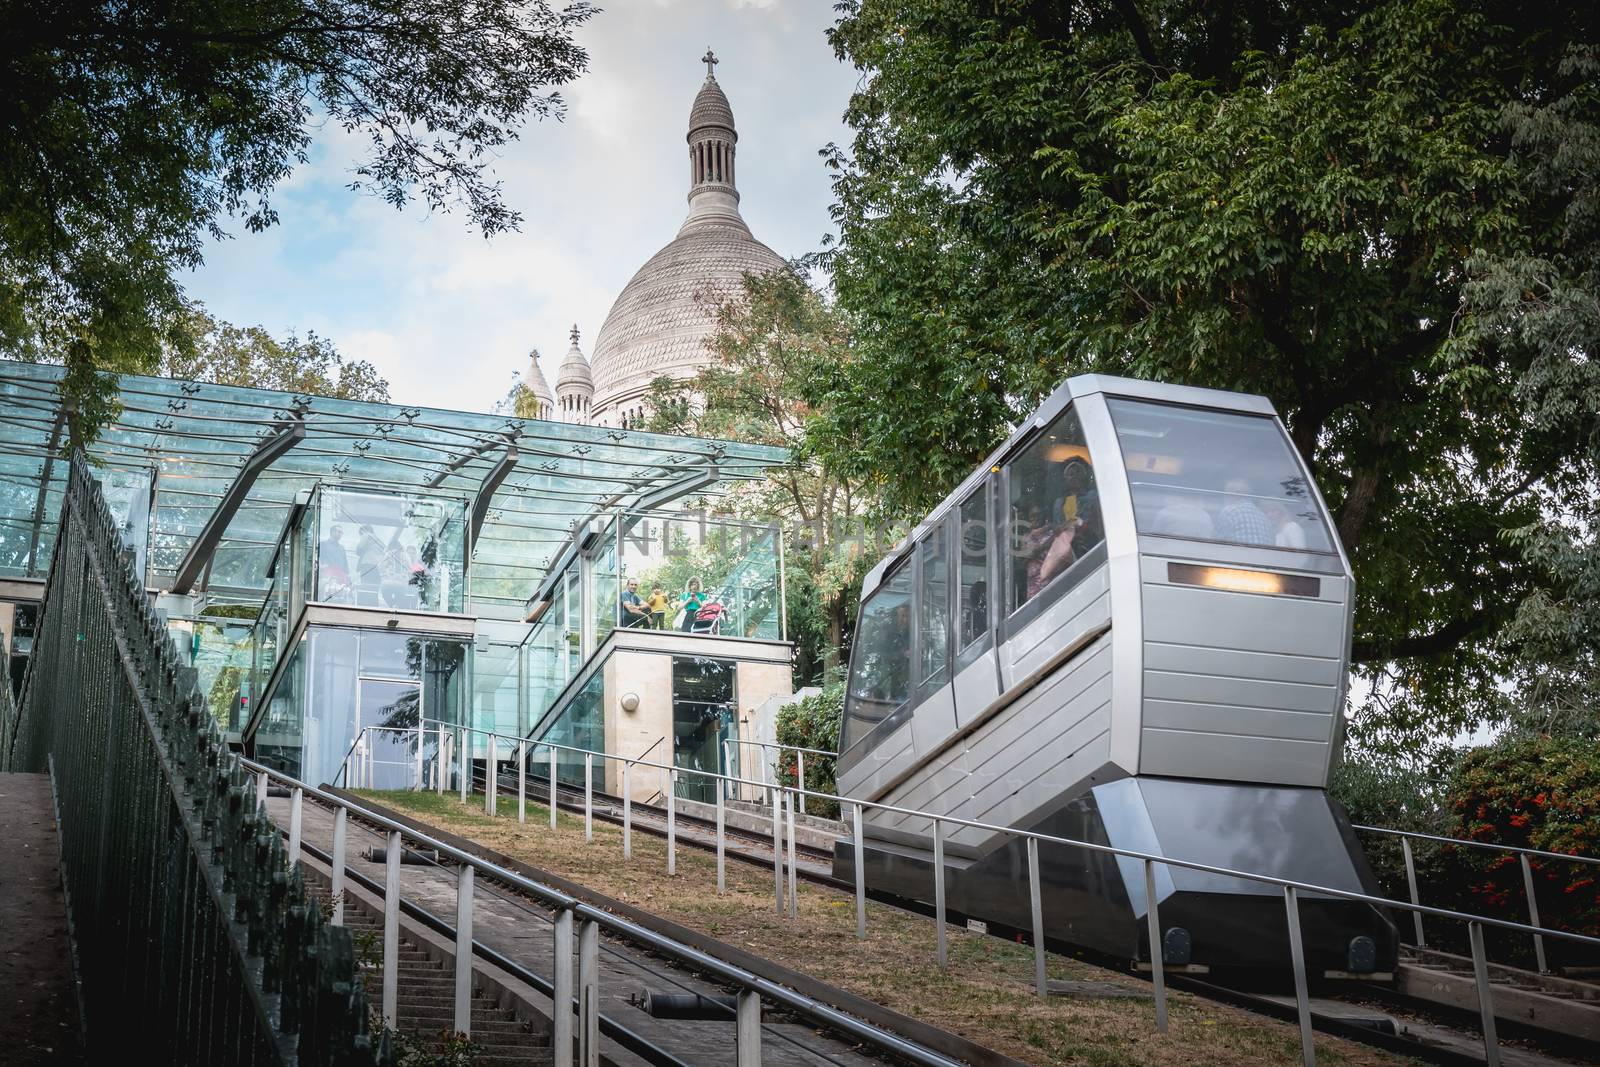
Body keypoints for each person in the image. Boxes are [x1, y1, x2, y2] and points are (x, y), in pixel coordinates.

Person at [1215, 478, 1274, 546]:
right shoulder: (1263, 516)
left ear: (1235, 495)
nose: (1224, 496)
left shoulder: (1229, 511)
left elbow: (1216, 540)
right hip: (1264, 555)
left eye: (1226, 493)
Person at [318, 524, 352, 601]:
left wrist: (347, 575)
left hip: (340, 577)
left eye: (341, 532)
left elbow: (345, 563)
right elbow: (316, 558)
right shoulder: (323, 544)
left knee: (342, 594)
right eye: (338, 531)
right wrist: (321, 566)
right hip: (327, 575)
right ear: (332, 532)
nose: (340, 534)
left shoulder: (341, 548)